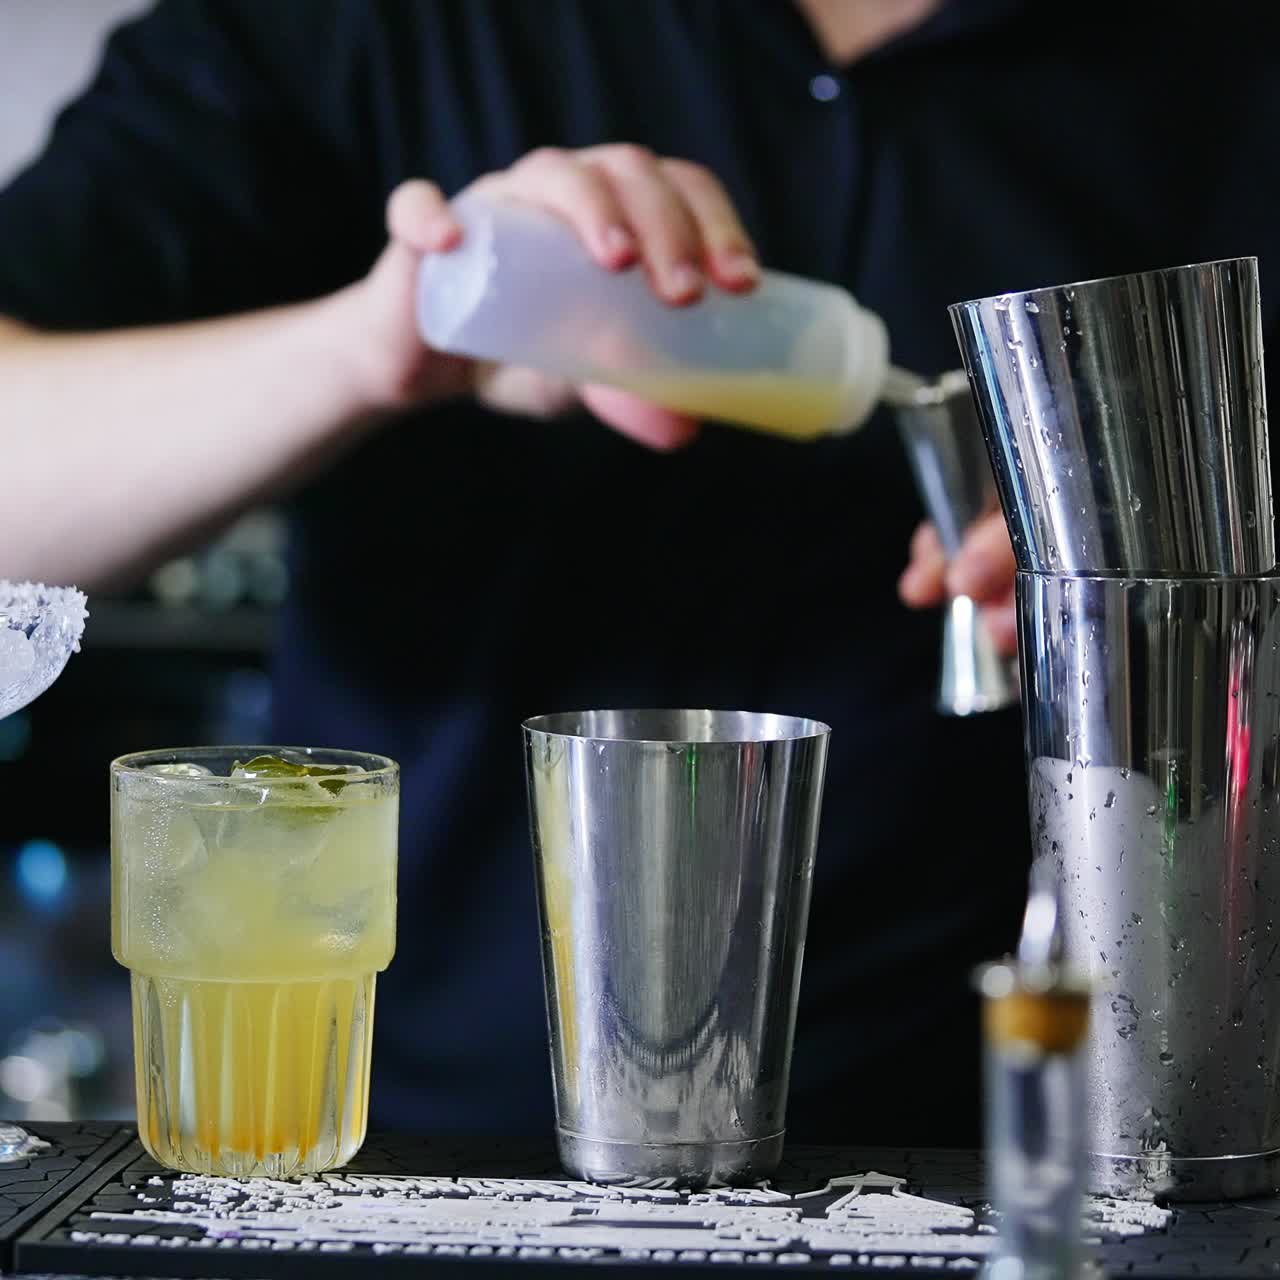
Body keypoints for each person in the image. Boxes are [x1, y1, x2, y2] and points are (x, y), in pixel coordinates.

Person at [1, 0, 1275, 1146]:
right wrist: (383, 338)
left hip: (1020, 1149)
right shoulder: (355, 28)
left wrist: (1182, 578)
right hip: (404, 1150)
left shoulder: (1224, 65)